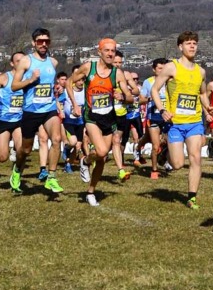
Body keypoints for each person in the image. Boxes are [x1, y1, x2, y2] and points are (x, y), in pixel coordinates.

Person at [152, 32, 211, 208]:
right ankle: (165, 152)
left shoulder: (201, 71)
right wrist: (162, 110)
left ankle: (192, 197)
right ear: (180, 47)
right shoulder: (172, 67)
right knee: (177, 164)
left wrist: (208, 107)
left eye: (194, 43)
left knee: (195, 158)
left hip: (194, 122)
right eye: (188, 43)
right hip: (175, 123)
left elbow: (202, 93)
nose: (192, 46)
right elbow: (155, 90)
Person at [70, 39, 132, 205]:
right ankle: (85, 161)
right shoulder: (88, 67)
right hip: (91, 117)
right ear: (99, 52)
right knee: (103, 151)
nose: (111, 53)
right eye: (107, 50)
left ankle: (91, 191)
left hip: (108, 118)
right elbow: (70, 82)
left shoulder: (117, 73)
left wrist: (124, 97)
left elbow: (131, 97)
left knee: (102, 159)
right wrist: (75, 104)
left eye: (113, 50)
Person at [12, 28, 65, 195]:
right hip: (31, 111)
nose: (43, 44)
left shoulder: (53, 62)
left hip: (49, 108)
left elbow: (49, 86)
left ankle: (52, 176)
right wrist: (31, 80)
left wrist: (56, 89)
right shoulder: (26, 62)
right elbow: (14, 86)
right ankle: (17, 170)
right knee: (26, 150)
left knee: (56, 139)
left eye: (46, 41)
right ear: (33, 43)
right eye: (40, 41)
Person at [0, 52, 27, 188]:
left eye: (23, 61)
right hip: (3, 121)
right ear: (12, 63)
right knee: (2, 157)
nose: (20, 63)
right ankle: (2, 144)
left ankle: (16, 174)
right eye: (17, 61)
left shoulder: (28, 78)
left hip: (20, 120)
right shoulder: (4, 78)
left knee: (23, 151)